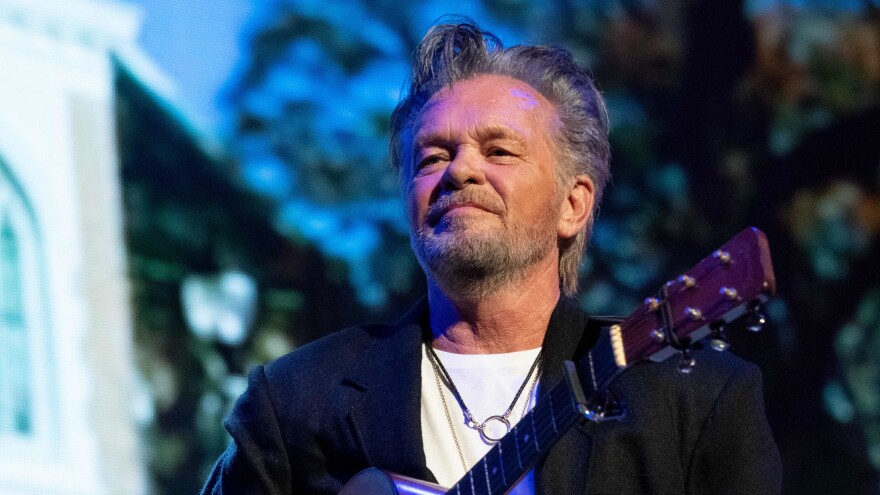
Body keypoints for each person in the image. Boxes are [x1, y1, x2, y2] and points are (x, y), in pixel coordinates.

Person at [201, 19, 781, 494]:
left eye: (499, 150)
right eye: (430, 158)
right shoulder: (296, 403)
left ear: (573, 205)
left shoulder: (693, 403)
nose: (460, 170)